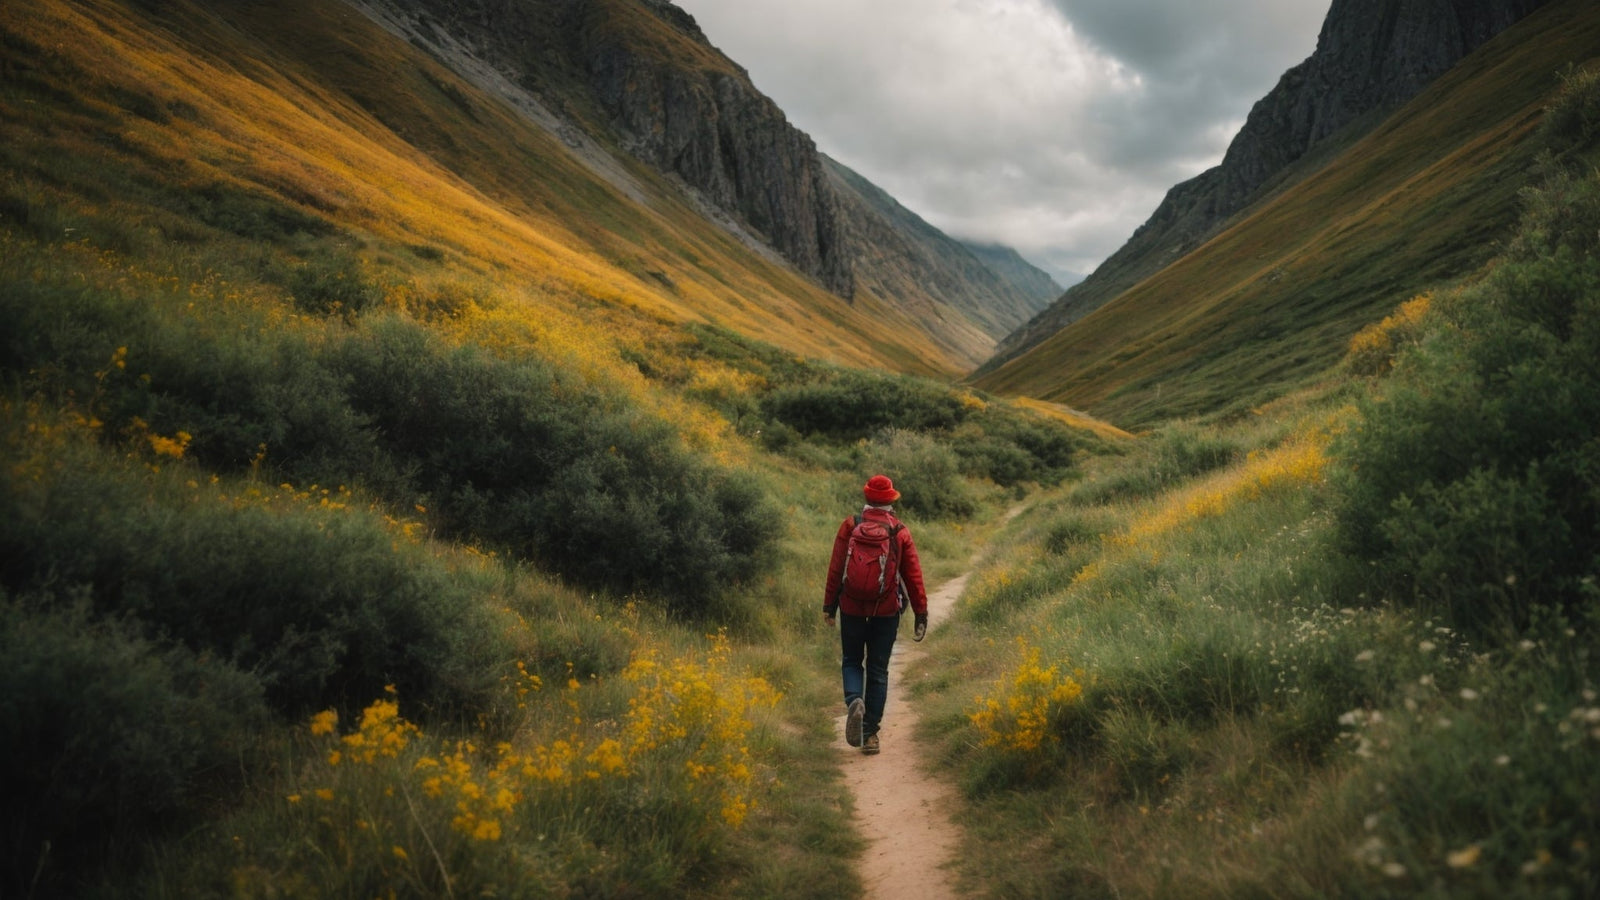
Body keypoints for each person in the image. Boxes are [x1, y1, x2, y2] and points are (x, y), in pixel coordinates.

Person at [823, 474, 929, 755]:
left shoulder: (851, 525)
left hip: (851, 607)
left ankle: (854, 701)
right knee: (878, 670)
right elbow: (913, 576)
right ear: (891, 500)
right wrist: (921, 612)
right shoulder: (900, 531)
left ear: (867, 497)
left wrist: (829, 606)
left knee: (851, 660)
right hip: (886, 611)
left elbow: (836, 569)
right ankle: (869, 735)